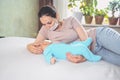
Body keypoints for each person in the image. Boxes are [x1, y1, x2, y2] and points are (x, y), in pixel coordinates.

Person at [27, 5, 120, 66]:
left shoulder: (70, 20)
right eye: (43, 24)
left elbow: (85, 38)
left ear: (57, 16)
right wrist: (29, 46)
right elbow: (36, 44)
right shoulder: (45, 30)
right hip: (96, 51)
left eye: (49, 22)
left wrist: (82, 56)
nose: (47, 26)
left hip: (99, 36)